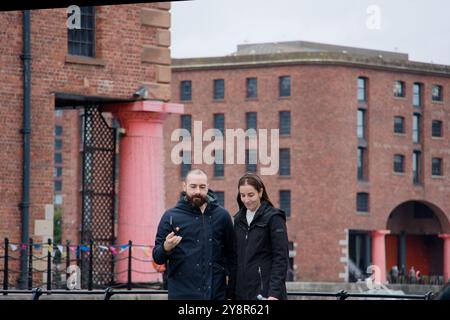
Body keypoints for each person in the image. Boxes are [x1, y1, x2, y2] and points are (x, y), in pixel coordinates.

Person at [152, 169, 234, 300]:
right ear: (184, 186)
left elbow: (232, 255)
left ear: (208, 187)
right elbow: (157, 257)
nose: (198, 191)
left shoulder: (222, 216)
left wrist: (231, 290)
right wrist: (165, 247)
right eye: (193, 186)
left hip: (216, 294)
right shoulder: (171, 216)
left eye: (202, 187)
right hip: (182, 295)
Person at [228, 173, 289, 300]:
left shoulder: (274, 218)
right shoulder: (238, 220)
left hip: (265, 292)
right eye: (243, 195)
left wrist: (274, 294)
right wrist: (230, 294)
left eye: (251, 195)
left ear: (260, 192)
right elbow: (234, 260)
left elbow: (281, 258)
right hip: (241, 293)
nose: (246, 200)